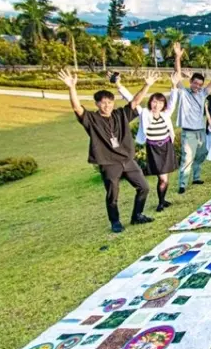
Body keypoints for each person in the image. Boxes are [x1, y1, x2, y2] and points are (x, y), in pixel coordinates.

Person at [57, 68, 159, 233]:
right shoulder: (92, 119)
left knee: (144, 187)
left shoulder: (120, 114)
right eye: (103, 103)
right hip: (108, 162)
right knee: (113, 194)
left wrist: (146, 85)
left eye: (110, 102)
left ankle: (137, 215)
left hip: (127, 159)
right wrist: (71, 87)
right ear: (97, 104)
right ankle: (115, 222)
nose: (107, 106)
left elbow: (134, 102)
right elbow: (77, 108)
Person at [114, 71, 181, 213]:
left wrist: (174, 85)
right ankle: (161, 204)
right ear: (151, 102)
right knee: (162, 178)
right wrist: (119, 85)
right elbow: (131, 99)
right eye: (154, 102)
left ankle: (162, 200)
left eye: (161, 102)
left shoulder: (165, 114)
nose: (157, 105)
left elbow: (173, 102)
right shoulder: (144, 113)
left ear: (163, 105)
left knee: (165, 178)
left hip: (167, 147)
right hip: (154, 149)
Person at [173, 42, 211, 194]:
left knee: (201, 154)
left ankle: (196, 177)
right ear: (191, 82)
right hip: (188, 131)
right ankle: (182, 184)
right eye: (195, 83)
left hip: (201, 130)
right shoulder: (184, 91)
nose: (197, 86)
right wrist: (177, 57)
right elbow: (177, 73)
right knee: (187, 157)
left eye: (200, 84)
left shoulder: (202, 94)